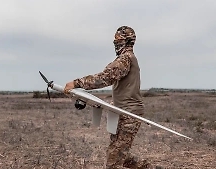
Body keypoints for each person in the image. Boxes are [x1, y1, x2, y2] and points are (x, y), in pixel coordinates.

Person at [64, 26, 156, 169]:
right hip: (122, 112)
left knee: (114, 161)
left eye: (118, 40)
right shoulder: (125, 59)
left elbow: (105, 77)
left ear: (127, 41)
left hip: (129, 114)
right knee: (119, 153)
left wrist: (77, 83)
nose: (115, 43)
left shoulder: (125, 59)